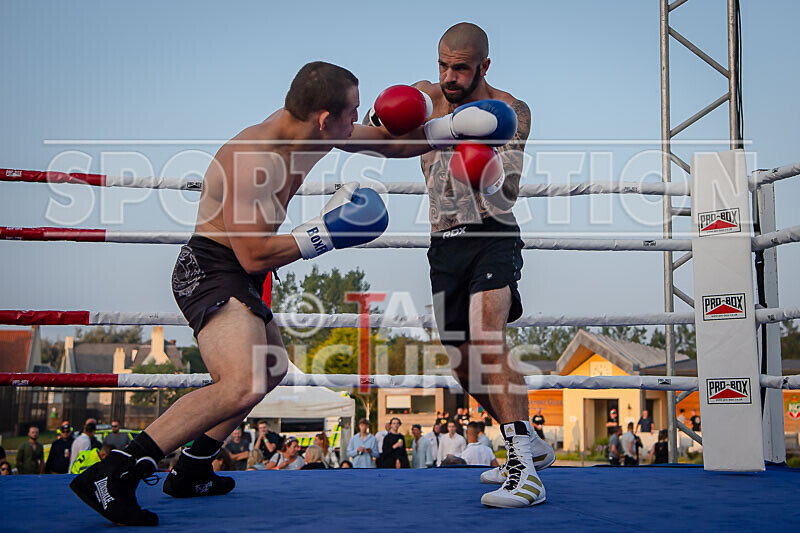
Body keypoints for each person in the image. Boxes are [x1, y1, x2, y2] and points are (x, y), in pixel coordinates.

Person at [71, 58, 481, 524]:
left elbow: (388, 144)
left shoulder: (316, 133)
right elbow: (252, 256)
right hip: (211, 267)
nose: (359, 121)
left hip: (235, 271)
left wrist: (454, 128)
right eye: (353, 112)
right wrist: (327, 233)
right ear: (325, 117)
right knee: (241, 382)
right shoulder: (256, 158)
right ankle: (113, 473)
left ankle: (192, 469)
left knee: (270, 370)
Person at [365, 22, 551, 507]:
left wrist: (482, 169)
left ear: (483, 67)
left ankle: (525, 472)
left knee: (488, 336)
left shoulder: (511, 110)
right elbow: (381, 135)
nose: (450, 75)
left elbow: (507, 191)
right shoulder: (426, 97)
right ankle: (526, 439)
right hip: (444, 242)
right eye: (443, 65)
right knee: (462, 362)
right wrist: (377, 116)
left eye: (461, 68)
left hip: (492, 235)